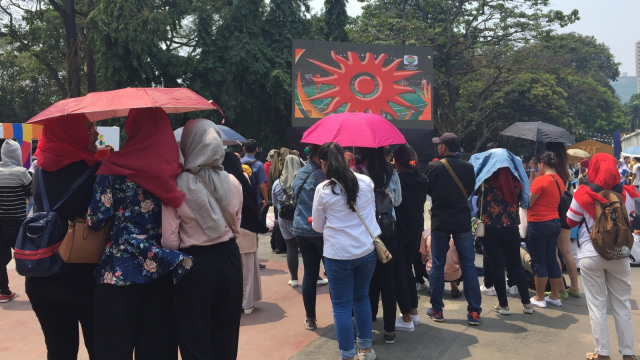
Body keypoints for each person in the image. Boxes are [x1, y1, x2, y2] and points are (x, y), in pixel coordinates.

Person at [88, 108, 192, 360]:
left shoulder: (113, 167)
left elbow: (96, 220)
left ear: (132, 129)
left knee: (113, 349)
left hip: (118, 272)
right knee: (158, 347)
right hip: (161, 268)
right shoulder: (174, 171)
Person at [161, 119, 243, 360]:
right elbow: (236, 225)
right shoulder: (233, 181)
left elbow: (169, 241)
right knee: (226, 331)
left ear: (188, 145)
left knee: (193, 335)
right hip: (229, 259)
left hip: (193, 265)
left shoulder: (176, 186)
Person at [26, 114, 99, 359]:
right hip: (84, 274)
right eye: (89, 128)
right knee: (98, 348)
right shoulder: (95, 169)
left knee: (59, 350)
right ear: (73, 133)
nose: (96, 134)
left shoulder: (40, 170)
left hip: (43, 271)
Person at [566, 153, 637, 360]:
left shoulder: (583, 192)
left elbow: (570, 221)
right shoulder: (626, 194)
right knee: (622, 303)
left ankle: (603, 354)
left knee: (597, 305)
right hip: (620, 254)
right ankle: (628, 353)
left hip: (591, 253)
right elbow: (630, 221)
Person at [312, 142, 379, 360]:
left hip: (337, 255)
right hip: (366, 251)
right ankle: (366, 350)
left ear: (324, 163)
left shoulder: (323, 189)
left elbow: (317, 227)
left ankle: (347, 354)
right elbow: (370, 213)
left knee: (341, 307)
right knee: (362, 299)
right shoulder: (366, 182)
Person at [425, 132, 482, 325]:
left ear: (444, 147)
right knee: (468, 265)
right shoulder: (468, 167)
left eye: (439, 144)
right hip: (462, 220)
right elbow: (470, 189)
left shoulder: (433, 167)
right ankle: (474, 312)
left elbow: (429, 191)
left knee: (437, 264)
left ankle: (437, 309)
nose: (438, 147)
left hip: (440, 220)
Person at [471, 148, 533, 315]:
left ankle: (503, 305)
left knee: (497, 266)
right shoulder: (517, 182)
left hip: (490, 230)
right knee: (516, 265)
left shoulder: (485, 181)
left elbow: (474, 194)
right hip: (512, 229)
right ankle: (527, 304)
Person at [353, 146, 401, 343]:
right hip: (387, 231)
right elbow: (397, 201)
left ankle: (369, 319)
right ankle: (389, 330)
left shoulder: (356, 172)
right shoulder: (391, 171)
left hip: (364, 231)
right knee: (388, 280)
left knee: (366, 280)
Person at [222, 152, 268, 315]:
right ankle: (247, 303)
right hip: (246, 227)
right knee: (248, 269)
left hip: (227, 230)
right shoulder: (242, 178)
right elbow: (249, 202)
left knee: (233, 270)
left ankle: (234, 302)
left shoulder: (220, 180)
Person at [292, 144, 328, 331]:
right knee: (332, 271)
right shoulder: (321, 176)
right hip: (319, 230)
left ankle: (310, 318)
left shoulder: (300, 173)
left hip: (300, 228)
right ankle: (343, 314)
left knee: (309, 274)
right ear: (319, 156)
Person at [391, 144, 426, 332]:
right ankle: (413, 312)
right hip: (415, 229)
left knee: (400, 273)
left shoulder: (397, 180)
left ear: (396, 161)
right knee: (408, 270)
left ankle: (406, 318)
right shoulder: (422, 178)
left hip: (399, 230)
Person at [526, 151, 565, 308]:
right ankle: (555, 295)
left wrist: (532, 172)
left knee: (539, 261)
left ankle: (539, 297)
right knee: (551, 259)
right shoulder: (559, 180)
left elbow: (528, 201)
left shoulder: (541, 180)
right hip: (554, 221)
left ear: (542, 164)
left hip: (539, 222)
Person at [544, 141, 580, 299]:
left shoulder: (550, 170)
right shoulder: (565, 170)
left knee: (553, 253)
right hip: (565, 212)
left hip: (552, 211)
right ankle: (575, 287)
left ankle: (560, 289)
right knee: (567, 252)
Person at [0, 139, 31, 303]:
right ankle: (35, 290)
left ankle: (3, 292)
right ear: (17, 154)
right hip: (17, 221)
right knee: (26, 256)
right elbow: (32, 190)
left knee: (0, 257)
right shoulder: (21, 172)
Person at [272, 155, 304, 287]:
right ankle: (315, 277)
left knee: (291, 248)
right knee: (306, 249)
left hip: (283, 218)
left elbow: (274, 202)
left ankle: (294, 279)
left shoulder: (277, 183)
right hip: (300, 219)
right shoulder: (302, 181)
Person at [241, 139, 269, 220]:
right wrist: (266, 201)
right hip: (255, 200)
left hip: (241, 198)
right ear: (257, 149)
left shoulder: (238, 162)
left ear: (244, 149)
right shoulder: (259, 164)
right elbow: (262, 186)